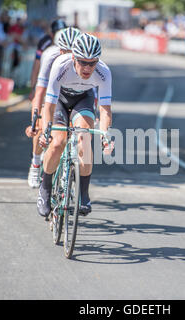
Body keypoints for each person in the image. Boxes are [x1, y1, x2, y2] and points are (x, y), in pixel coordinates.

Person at [36, 33, 112, 217]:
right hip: (60, 100)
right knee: (57, 142)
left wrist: (105, 135)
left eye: (92, 63)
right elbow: (49, 106)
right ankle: (45, 190)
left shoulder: (104, 72)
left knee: (84, 142)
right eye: (82, 62)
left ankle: (83, 194)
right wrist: (47, 132)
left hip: (83, 99)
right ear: (73, 57)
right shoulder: (60, 66)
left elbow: (104, 110)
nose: (87, 68)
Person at [25, 27, 81, 188]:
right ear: (59, 49)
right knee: (41, 125)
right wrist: (35, 118)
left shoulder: (83, 60)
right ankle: (35, 164)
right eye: (65, 51)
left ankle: (65, 167)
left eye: (73, 52)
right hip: (52, 91)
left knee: (72, 129)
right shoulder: (50, 57)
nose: (70, 57)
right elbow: (40, 91)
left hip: (70, 93)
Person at [28, 19, 67, 101]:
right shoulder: (44, 42)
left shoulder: (71, 41)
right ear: (51, 34)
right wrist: (33, 89)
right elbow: (36, 66)